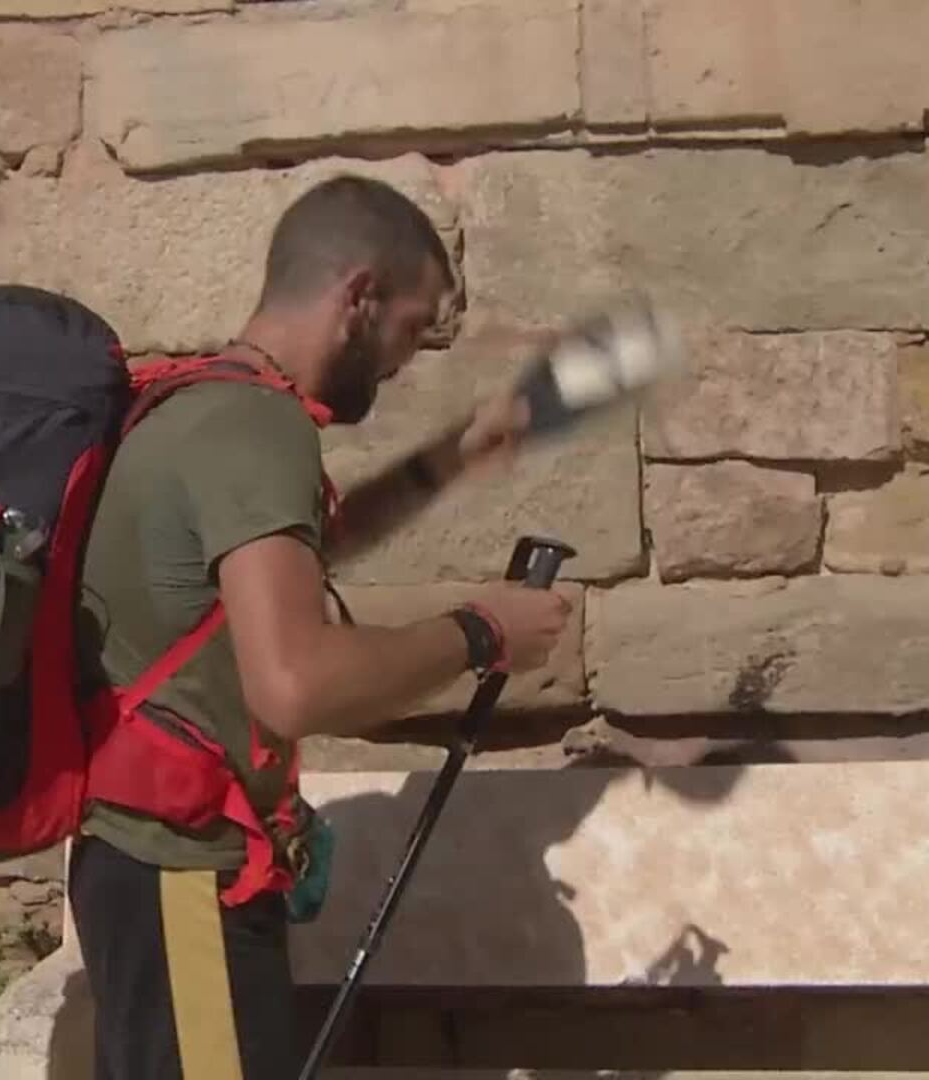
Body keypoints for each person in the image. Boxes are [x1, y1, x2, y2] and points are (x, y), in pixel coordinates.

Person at [72, 174, 571, 1080]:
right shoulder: (256, 430)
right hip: (185, 883)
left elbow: (293, 556)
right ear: (359, 298)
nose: (405, 360)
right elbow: (294, 685)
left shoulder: (204, 403)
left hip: (153, 870)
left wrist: (445, 463)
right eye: (412, 328)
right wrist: (480, 633)